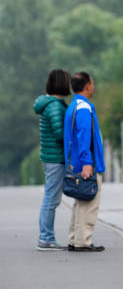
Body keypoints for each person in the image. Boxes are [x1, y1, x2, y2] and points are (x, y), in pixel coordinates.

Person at [63, 72, 105, 252]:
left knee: (80, 202)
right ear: (87, 85)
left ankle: (74, 239)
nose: (93, 87)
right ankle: (83, 241)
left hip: (75, 162)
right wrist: (87, 162)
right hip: (86, 164)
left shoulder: (73, 106)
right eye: (92, 83)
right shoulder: (83, 108)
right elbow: (84, 136)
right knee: (89, 202)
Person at [34, 69, 71, 251]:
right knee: (51, 199)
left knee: (51, 197)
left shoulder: (51, 104)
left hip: (51, 157)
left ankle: (46, 237)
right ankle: (46, 238)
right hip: (55, 158)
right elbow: (60, 134)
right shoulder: (55, 106)